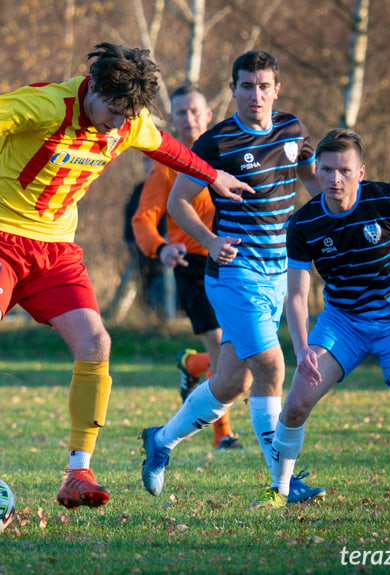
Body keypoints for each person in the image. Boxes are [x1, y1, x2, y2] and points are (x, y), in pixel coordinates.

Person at [0, 42, 254, 526]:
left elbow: (168, 148)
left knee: (97, 343)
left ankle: (78, 472)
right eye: (112, 113)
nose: (117, 126)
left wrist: (212, 175)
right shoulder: (48, 104)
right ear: (91, 87)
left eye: (125, 118)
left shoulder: (128, 120)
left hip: (55, 251)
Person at [140, 50, 327, 503]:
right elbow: (178, 202)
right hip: (233, 273)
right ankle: (283, 479)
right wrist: (209, 237)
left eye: (264, 86)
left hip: (277, 274)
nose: (256, 94)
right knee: (271, 368)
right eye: (247, 85)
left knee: (232, 382)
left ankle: (160, 440)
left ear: (276, 90)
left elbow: (311, 180)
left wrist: (339, 210)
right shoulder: (214, 144)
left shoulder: (292, 129)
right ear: (233, 89)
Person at [248, 128, 390, 509]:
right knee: (295, 403)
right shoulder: (303, 224)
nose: (334, 179)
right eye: (327, 169)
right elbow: (296, 295)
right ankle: (279, 490)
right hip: (343, 321)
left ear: (360, 172)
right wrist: (301, 347)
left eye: (344, 170)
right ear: (315, 170)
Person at [131, 84, 242, 450]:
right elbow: (143, 220)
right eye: (181, 112)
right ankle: (222, 434)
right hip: (194, 265)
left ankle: (191, 366)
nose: (189, 118)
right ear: (173, 119)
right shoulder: (166, 166)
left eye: (195, 111)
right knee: (223, 350)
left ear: (209, 114)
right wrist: (160, 248)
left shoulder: (230, 151)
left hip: (239, 261)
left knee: (237, 354)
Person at [124, 154, 166, 314]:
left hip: (165, 252)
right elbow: (129, 219)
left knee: (162, 291)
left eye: (155, 162)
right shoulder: (138, 190)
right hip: (140, 253)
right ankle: (149, 319)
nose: (151, 165)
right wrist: (130, 244)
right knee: (144, 292)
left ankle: (165, 320)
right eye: (147, 161)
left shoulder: (169, 188)